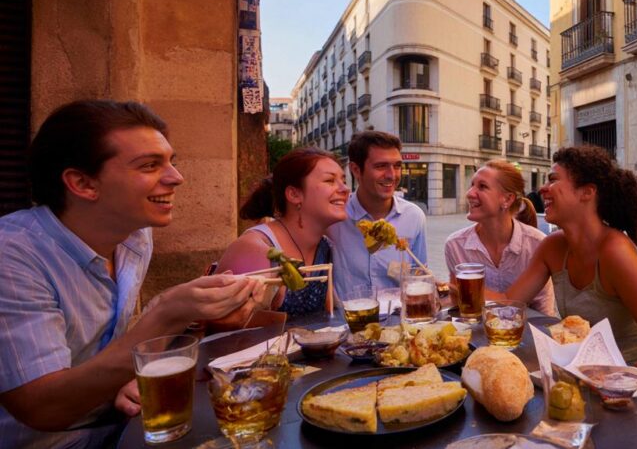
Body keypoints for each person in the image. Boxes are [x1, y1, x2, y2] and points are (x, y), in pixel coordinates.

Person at [0, 100, 260, 448]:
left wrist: (123, 379)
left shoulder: (135, 235)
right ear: (82, 183)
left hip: (121, 428)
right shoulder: (13, 254)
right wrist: (168, 314)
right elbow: (42, 408)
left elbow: (102, 350)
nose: (176, 178)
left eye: (172, 162)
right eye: (150, 165)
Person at [502, 146, 637, 377]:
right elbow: (509, 303)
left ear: (587, 192)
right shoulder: (553, 247)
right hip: (584, 374)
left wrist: (609, 393)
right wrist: (461, 288)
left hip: (632, 383)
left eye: (554, 180)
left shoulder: (616, 253)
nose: (542, 188)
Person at [218, 147, 350, 316]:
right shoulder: (255, 249)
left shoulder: (324, 248)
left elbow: (326, 319)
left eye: (343, 180)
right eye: (330, 181)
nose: (345, 189)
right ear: (294, 194)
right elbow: (227, 328)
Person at [445, 160, 556, 316]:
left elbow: (544, 314)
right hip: (476, 336)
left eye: (482, 186)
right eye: (472, 185)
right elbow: (459, 310)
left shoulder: (536, 244)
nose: (469, 193)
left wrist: (460, 287)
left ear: (507, 199)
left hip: (526, 334)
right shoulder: (455, 245)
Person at [329, 131, 427, 298]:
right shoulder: (335, 217)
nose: (391, 175)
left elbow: (419, 275)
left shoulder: (414, 216)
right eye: (381, 166)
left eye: (397, 166)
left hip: (398, 319)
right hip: (348, 320)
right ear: (356, 170)